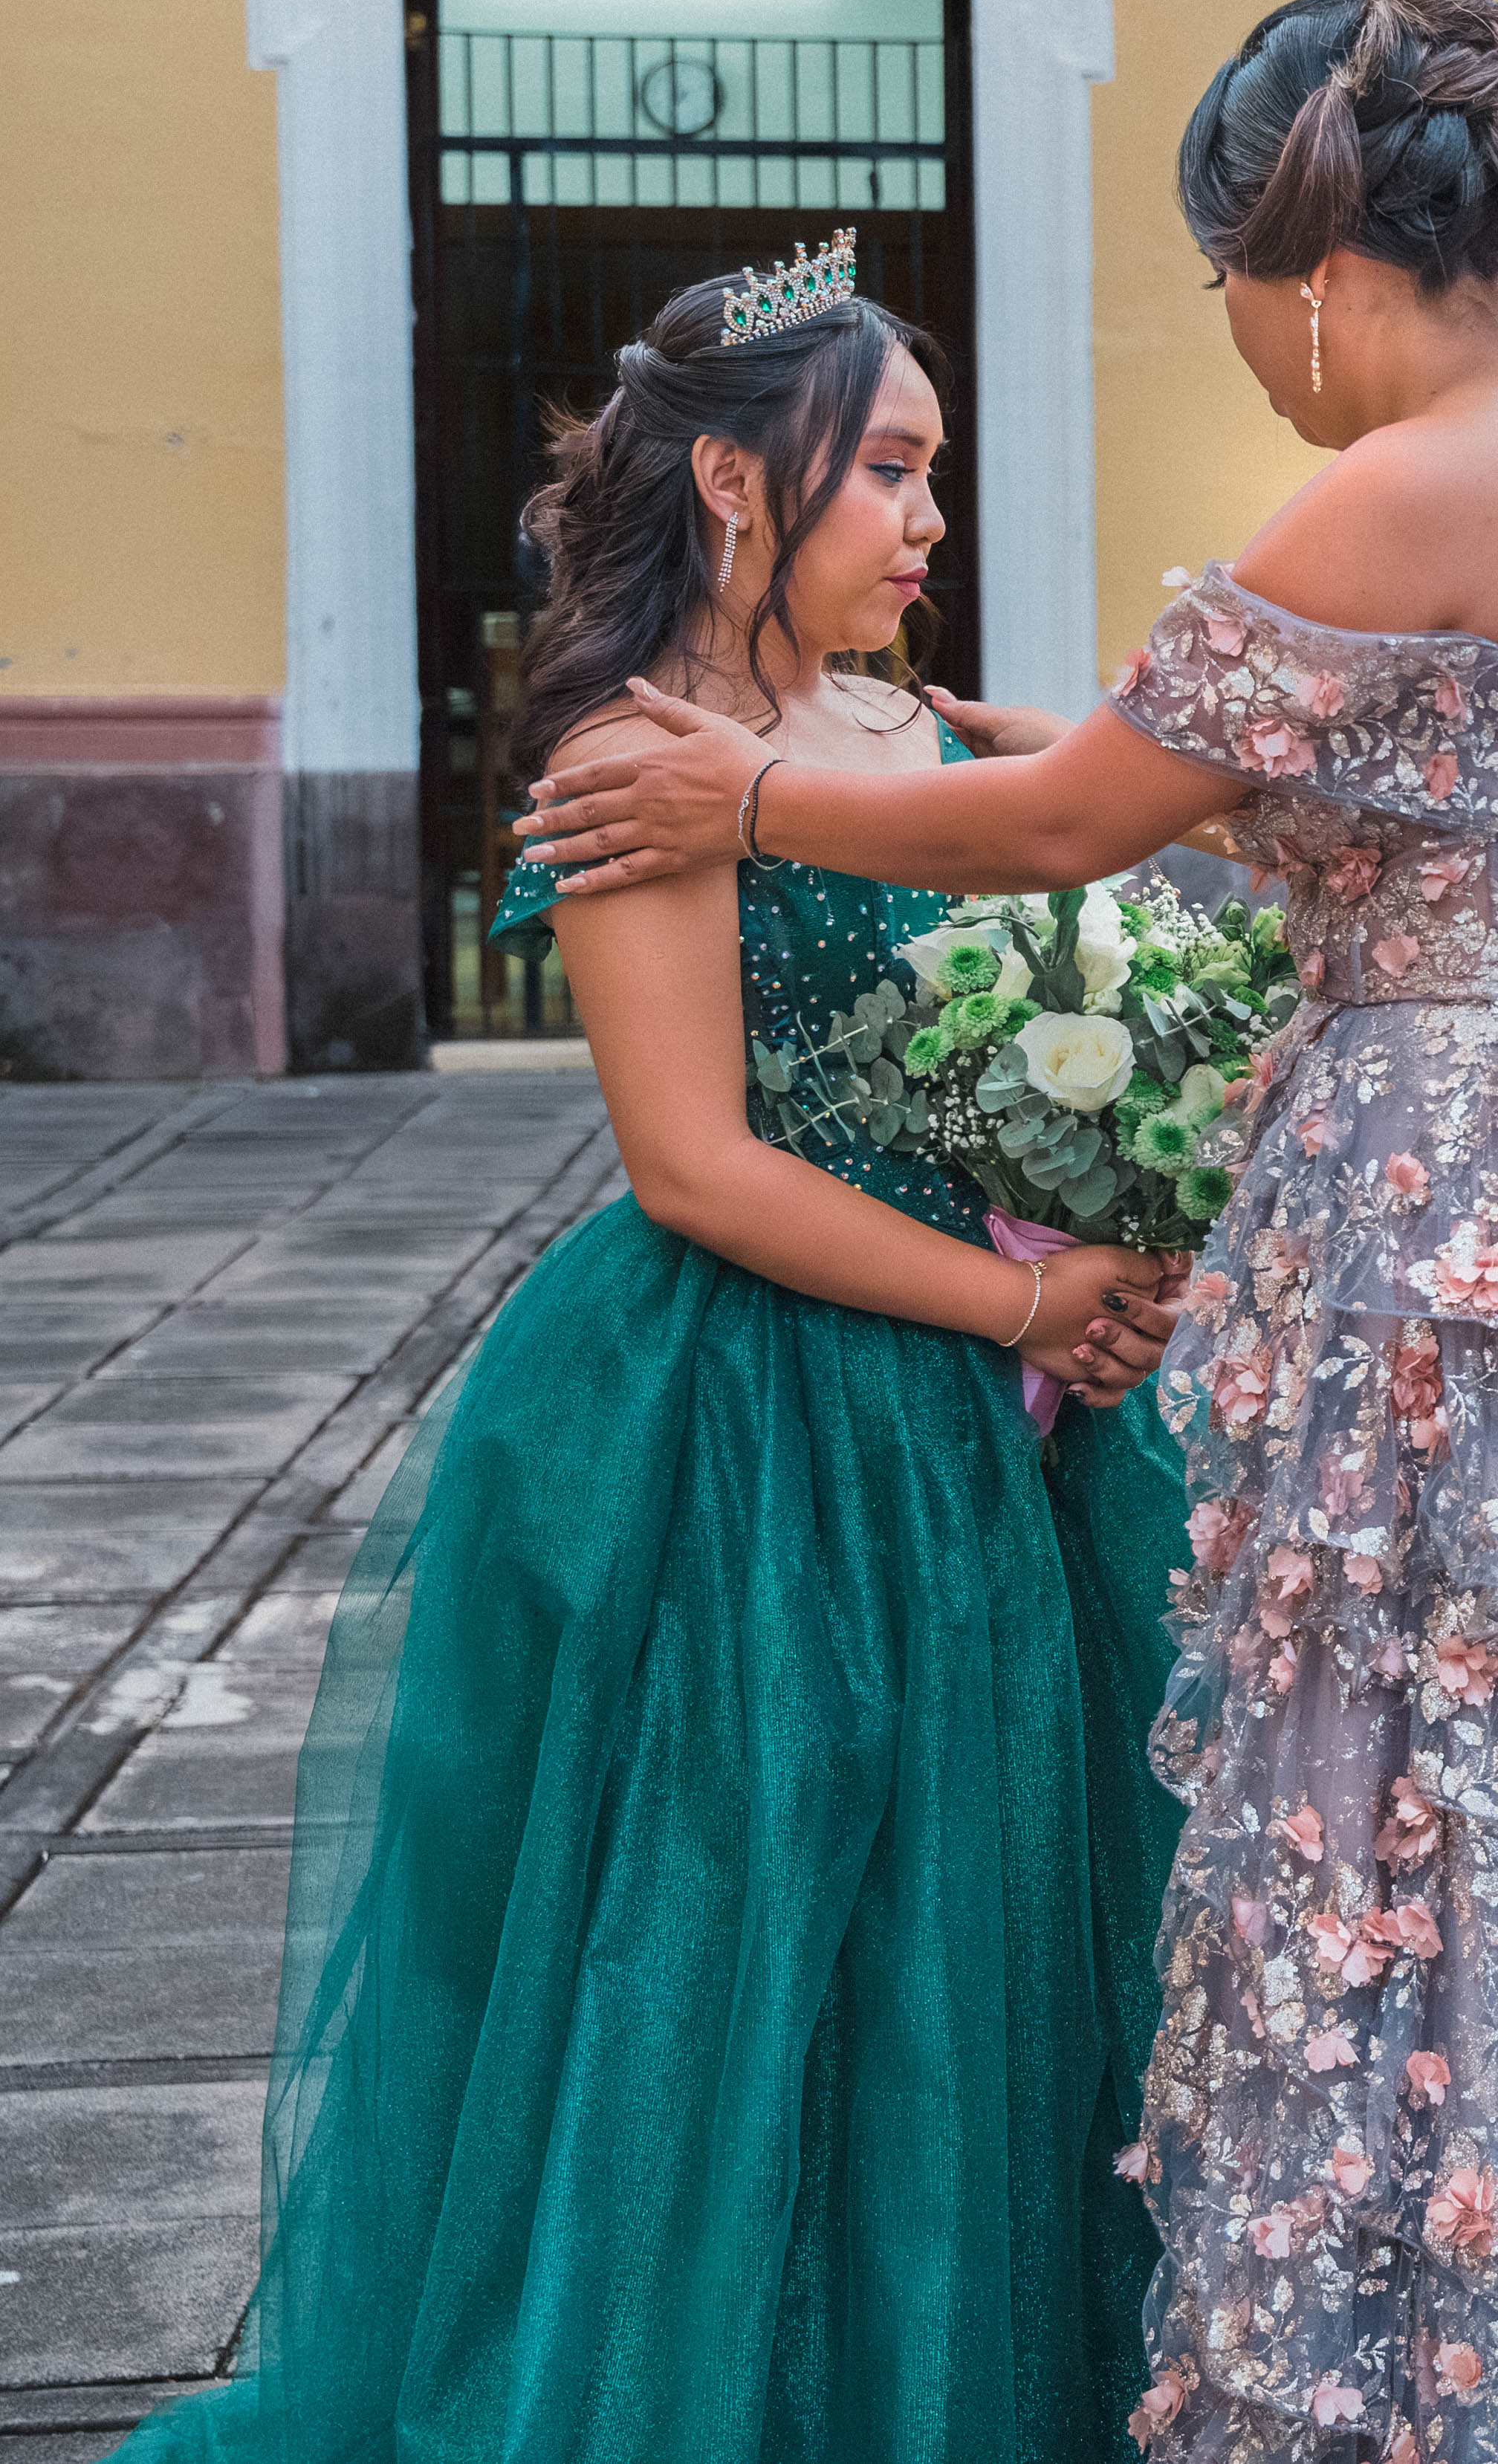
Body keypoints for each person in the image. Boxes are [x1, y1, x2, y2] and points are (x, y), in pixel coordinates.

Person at [513, 0, 1498, 2460]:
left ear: (1313, 266)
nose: (1249, 358)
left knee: (1453, 1775)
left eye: (1230, 295)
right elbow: (1372, 784)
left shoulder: (1404, 479)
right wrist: (976, 749)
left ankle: (1496, 2342)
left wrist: (744, 798)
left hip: (1493, 1210)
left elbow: (1076, 823)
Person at [134, 260, 1196, 2464]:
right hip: (757, 1429)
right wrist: (1021, 1300)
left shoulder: (924, 737)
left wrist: (1115, 1195)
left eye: (934, 471)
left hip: (1004, 1425)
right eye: (885, 469)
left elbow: (1045, 973)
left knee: (978, 1937)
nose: (927, 518)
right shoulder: (631, 761)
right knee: (734, 1939)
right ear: (733, 480)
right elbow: (695, 1164)